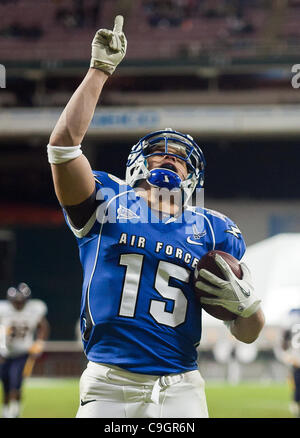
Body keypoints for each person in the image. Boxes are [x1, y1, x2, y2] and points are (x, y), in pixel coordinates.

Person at [47, 15, 265, 418]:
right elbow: (62, 147)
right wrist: (99, 71)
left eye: (181, 157)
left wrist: (249, 307)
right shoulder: (107, 198)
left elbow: (248, 333)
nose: (170, 157)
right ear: (137, 164)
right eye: (159, 152)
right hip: (109, 382)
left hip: (180, 385)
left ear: (191, 175)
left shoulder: (214, 229)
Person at [0, 283, 49, 418]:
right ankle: (5, 410)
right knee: (6, 383)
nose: (19, 304)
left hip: (22, 353)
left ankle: (14, 411)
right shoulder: (3, 310)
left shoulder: (33, 310)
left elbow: (43, 326)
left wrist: (39, 343)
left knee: (16, 382)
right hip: (5, 353)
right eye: (16, 301)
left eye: (22, 301)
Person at [279, 308, 300, 418]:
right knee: (297, 384)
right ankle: (295, 403)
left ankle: (295, 403)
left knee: (297, 384)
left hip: (296, 359)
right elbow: (285, 343)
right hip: (296, 360)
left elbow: (285, 343)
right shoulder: (292, 328)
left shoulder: (292, 327)